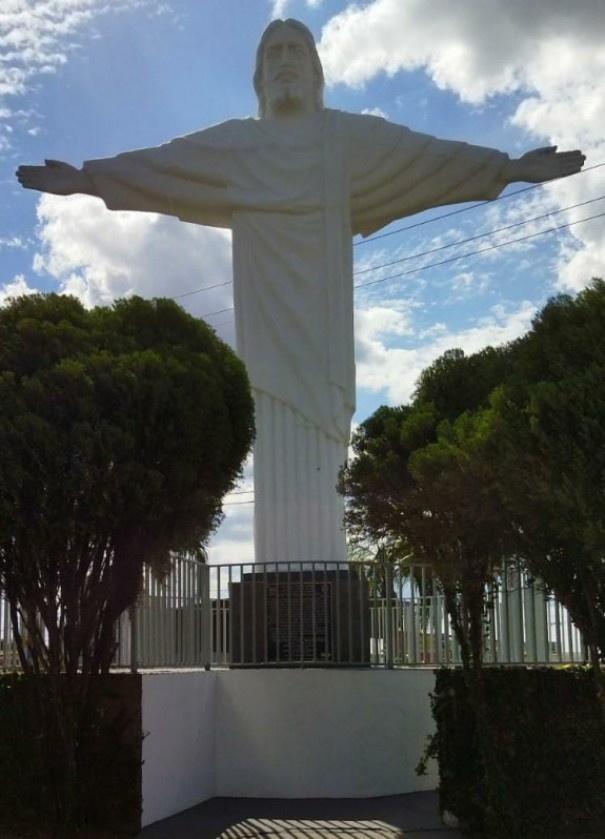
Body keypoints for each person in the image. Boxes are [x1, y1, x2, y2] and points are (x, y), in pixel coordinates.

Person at [16, 19, 585, 567]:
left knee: (321, 431)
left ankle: (321, 570)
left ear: (315, 72)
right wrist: (89, 180)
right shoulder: (237, 146)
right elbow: (165, 165)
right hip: (264, 323)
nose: (285, 62)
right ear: (260, 78)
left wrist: (507, 168)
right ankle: (283, 571)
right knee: (273, 419)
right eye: (274, 54)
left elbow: (428, 158)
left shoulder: (347, 139)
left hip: (323, 325)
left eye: (296, 52)